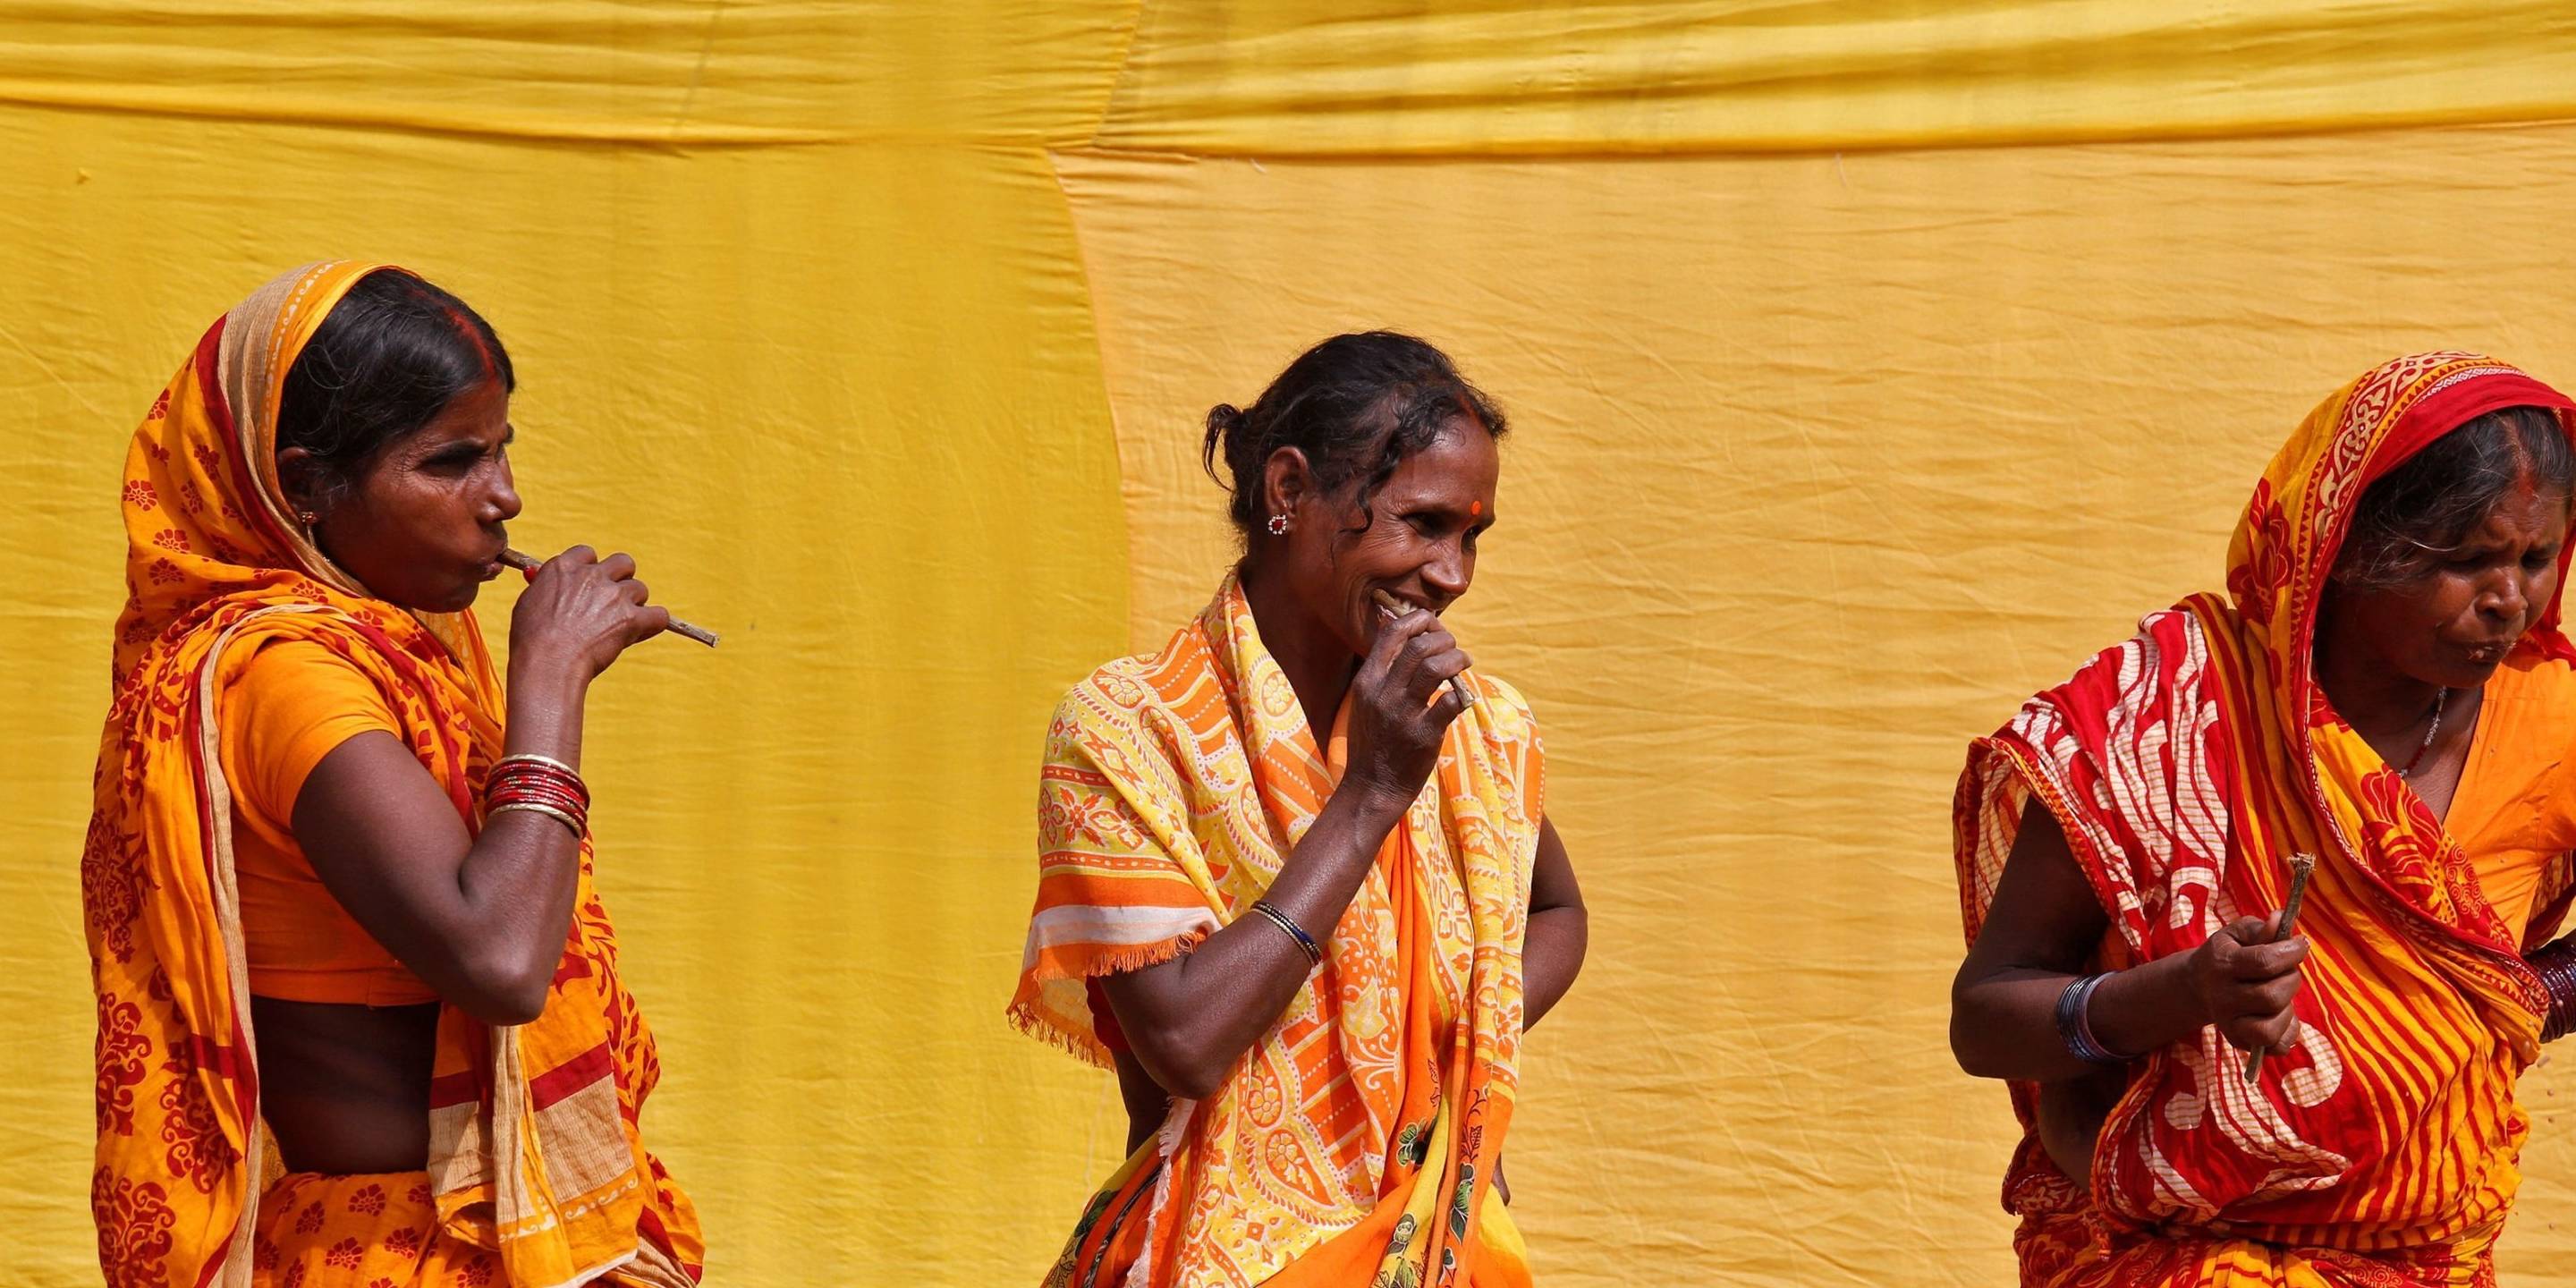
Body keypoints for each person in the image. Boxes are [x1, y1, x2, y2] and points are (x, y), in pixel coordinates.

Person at [81, 261, 702, 1288]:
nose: (504, 498)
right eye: (453, 461)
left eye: (502, 450)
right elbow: (500, 961)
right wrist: (549, 679)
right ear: (305, 486)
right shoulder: (284, 676)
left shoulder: (400, 654)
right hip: (393, 1252)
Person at [1949, 352, 2576, 1284]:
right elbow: (1986, 1018)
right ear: (2347, 545)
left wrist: (2505, 1004)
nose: (2510, 599)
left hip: (2421, 1257)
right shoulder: (2159, 715)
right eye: (2466, 560)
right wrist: (2183, 992)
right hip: (2156, 1253)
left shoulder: (2553, 718)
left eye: (2535, 558)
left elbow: (2506, 999)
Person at [1008, 333, 1587, 1286]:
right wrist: (1373, 792)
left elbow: (1558, 912)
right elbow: (1187, 1040)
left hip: (1433, 1248)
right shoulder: (1128, 731)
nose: (1452, 575)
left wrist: (1461, 1042)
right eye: (1423, 523)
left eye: (1471, 535)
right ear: (1288, 493)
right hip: (1211, 1256)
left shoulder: (1472, 727)